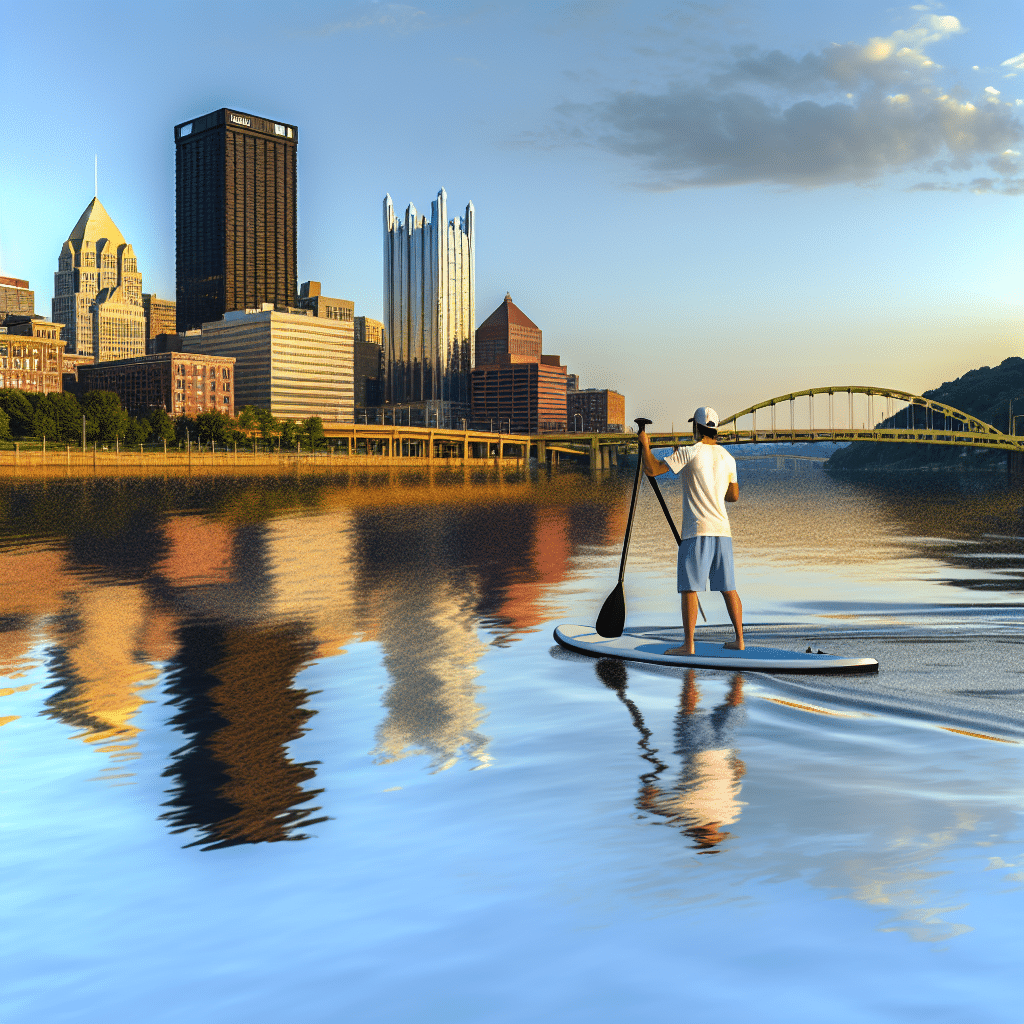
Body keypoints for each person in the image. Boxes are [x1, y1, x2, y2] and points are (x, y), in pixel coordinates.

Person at [639, 406, 744, 655]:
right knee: (728, 587)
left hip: (696, 530)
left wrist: (645, 445)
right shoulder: (729, 459)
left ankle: (688, 645)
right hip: (722, 530)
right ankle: (739, 639)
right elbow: (734, 496)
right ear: (715, 429)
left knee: (689, 587)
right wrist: (713, 487)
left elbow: (651, 469)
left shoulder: (688, 452)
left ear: (696, 428)